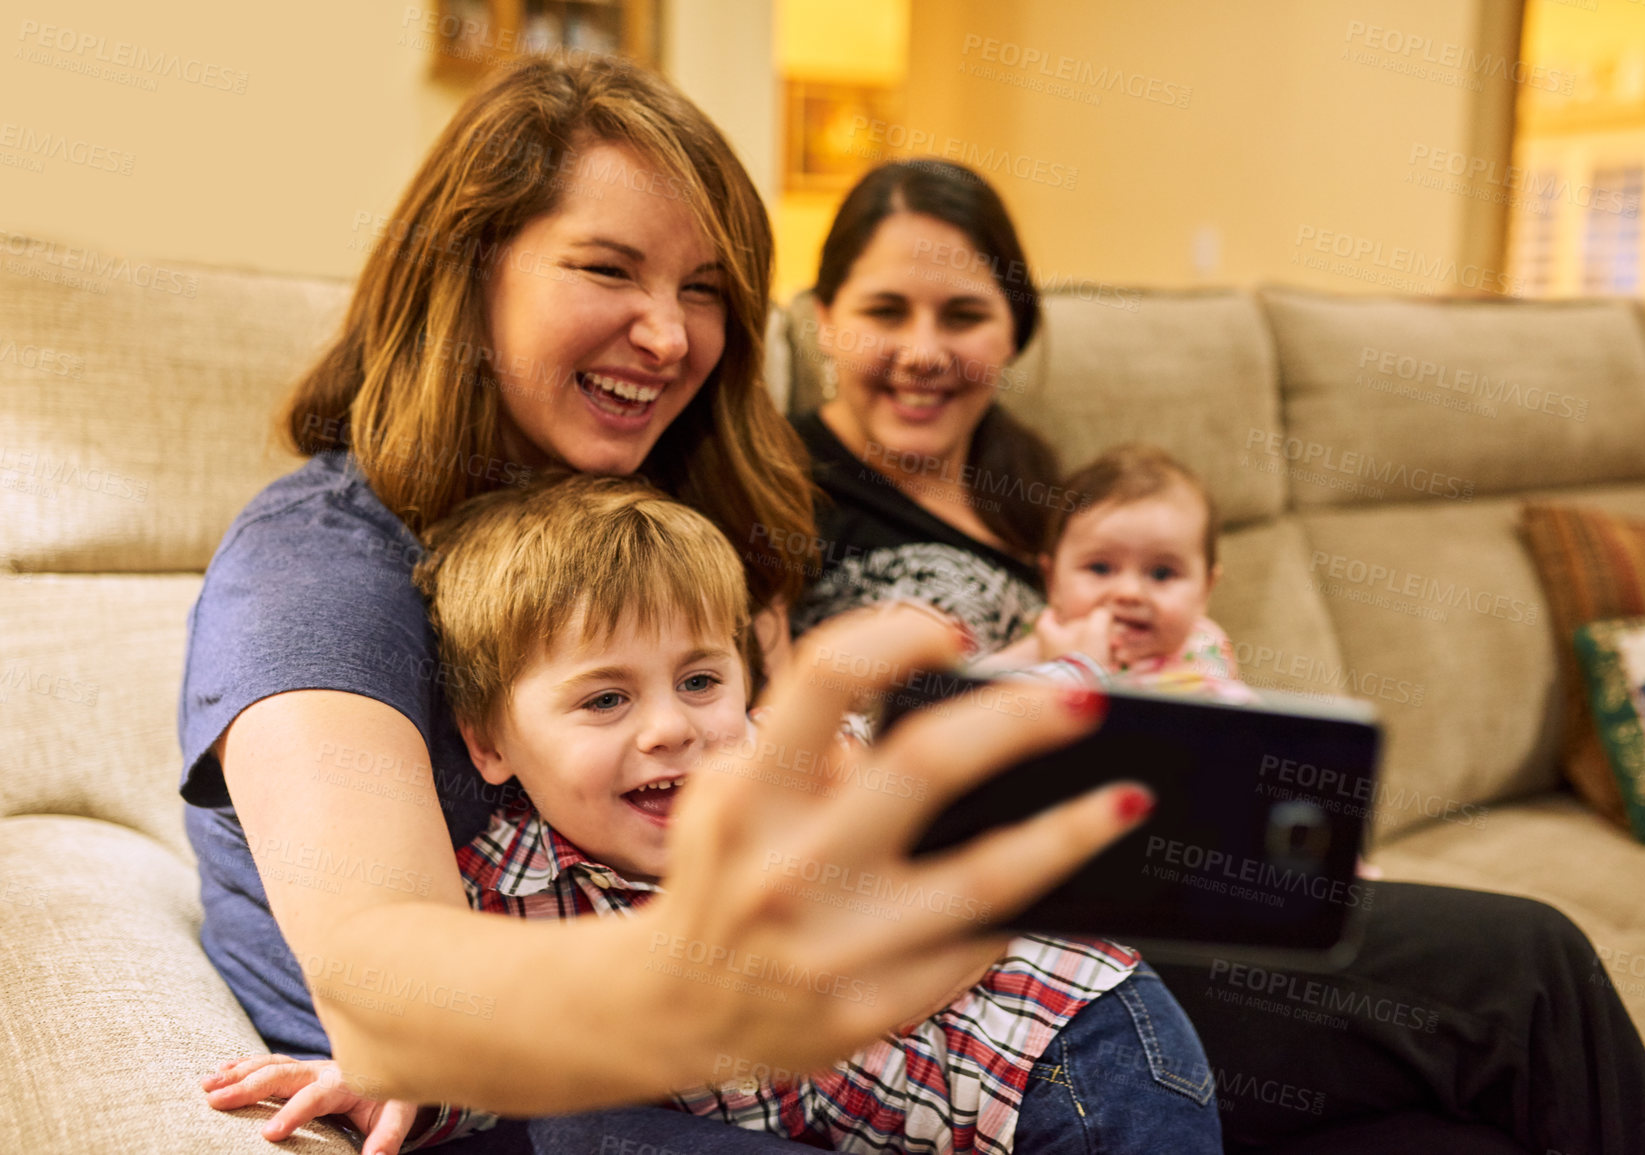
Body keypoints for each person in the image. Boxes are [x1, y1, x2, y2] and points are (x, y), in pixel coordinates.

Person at [181, 58, 1151, 1155]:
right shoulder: (317, 568)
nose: (670, 336)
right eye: (608, 269)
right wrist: (712, 976)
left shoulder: (674, 522)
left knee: (1317, 978)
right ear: (468, 274)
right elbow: (379, 980)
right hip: (545, 1117)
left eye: (704, 289)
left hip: (793, 1069)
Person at [787, 157, 1645, 1155]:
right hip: (1018, 956)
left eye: (963, 315)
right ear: (826, 317)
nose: (925, 351)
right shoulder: (785, 494)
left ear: (1014, 333)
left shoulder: (1035, 483)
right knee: (1532, 963)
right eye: (886, 311)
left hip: (1171, 891)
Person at [207, 472, 1222, 1154]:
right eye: (606, 700)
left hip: (1080, 1049)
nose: (671, 730)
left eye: (700, 681)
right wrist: (392, 1076)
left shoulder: (798, 783)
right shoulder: (504, 888)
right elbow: (511, 1042)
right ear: (489, 745)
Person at [975, 443, 1247, 702]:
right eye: (1100, 568)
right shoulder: (1048, 640)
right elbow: (968, 694)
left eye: (1162, 573)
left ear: (1205, 591)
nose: (1129, 593)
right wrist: (1063, 666)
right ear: (1052, 582)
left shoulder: (1203, 644)